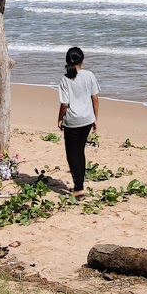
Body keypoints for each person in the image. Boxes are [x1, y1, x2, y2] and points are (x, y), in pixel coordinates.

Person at [56, 46, 100, 197]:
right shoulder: (89, 75)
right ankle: (80, 183)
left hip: (72, 120)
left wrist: (59, 118)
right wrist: (95, 118)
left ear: (67, 61)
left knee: (72, 153)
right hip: (87, 118)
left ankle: (79, 186)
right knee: (80, 151)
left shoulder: (65, 79)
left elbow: (64, 104)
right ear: (83, 60)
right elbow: (95, 99)